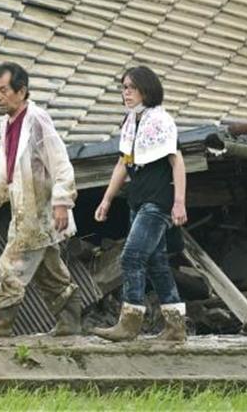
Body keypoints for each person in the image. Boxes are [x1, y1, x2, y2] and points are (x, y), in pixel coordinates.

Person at [0, 62, 83, 338]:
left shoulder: (37, 120)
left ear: (21, 91)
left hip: (39, 212)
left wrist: (61, 203)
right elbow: (6, 171)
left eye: (4, 90)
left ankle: (3, 323)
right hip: (25, 211)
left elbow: (61, 164)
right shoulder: (7, 125)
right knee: (49, 272)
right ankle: (70, 322)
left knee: (11, 263)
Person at [92, 65, 189, 342]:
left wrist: (179, 202)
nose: (126, 93)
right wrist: (107, 198)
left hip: (158, 201)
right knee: (156, 262)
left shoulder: (161, 120)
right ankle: (175, 326)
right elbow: (124, 162)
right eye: (123, 88)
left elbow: (177, 160)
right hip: (138, 199)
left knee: (132, 256)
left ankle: (130, 322)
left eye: (131, 88)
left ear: (146, 90)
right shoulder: (131, 121)